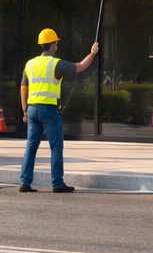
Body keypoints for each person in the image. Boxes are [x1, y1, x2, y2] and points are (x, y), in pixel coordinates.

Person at [19, 28, 98, 192]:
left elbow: (23, 87)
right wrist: (92, 52)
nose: (57, 45)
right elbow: (81, 66)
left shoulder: (30, 64)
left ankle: (25, 183)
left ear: (41, 45)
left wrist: (24, 110)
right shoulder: (57, 64)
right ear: (53, 45)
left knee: (31, 147)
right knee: (55, 147)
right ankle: (57, 183)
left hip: (32, 109)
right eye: (56, 42)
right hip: (48, 111)